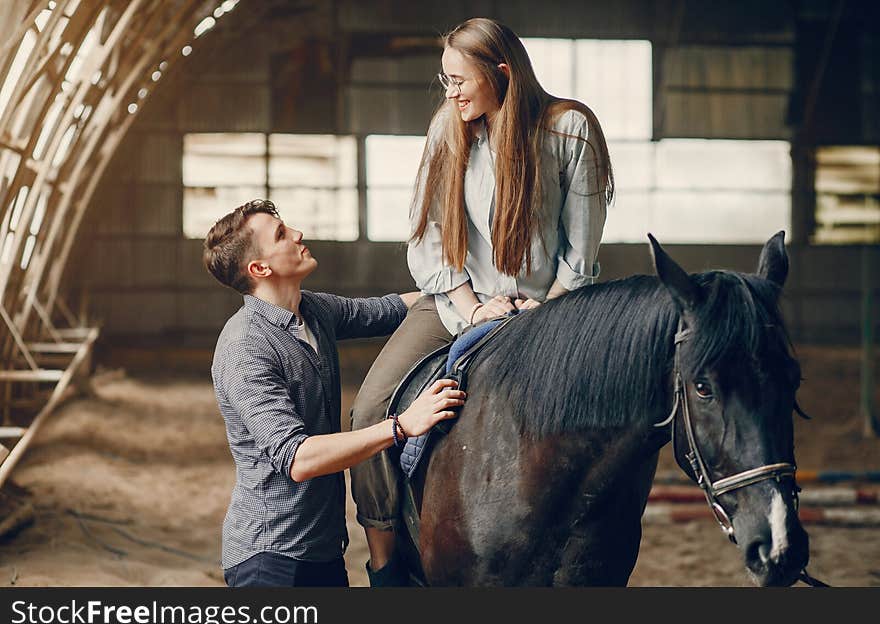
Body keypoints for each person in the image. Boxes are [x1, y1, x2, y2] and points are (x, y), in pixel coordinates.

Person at [350, 17, 614, 585]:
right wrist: (472, 308)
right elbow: (427, 239)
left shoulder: (570, 130)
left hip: (552, 311)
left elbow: (581, 253)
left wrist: (543, 314)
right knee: (369, 409)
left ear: (501, 72)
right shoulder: (448, 129)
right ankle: (385, 563)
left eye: (458, 80)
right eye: (444, 81)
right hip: (457, 301)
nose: (450, 92)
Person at [204, 199, 465, 587]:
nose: (297, 234)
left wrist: (468, 294)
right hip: (271, 559)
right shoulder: (245, 347)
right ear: (260, 268)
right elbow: (298, 459)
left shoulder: (313, 311)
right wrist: (401, 426)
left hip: (323, 550)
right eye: (281, 235)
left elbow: (393, 307)